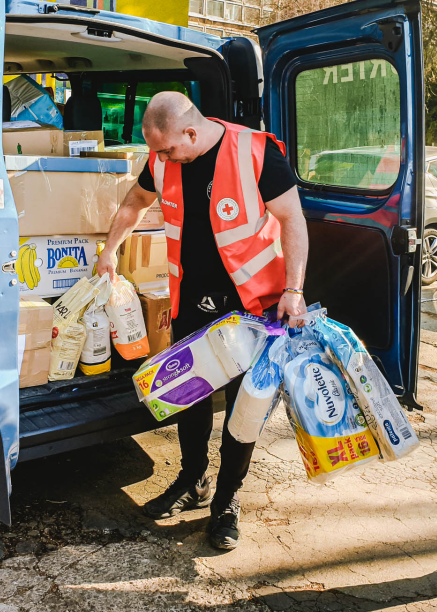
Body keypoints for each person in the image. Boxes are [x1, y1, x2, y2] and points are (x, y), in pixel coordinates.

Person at [96, 91, 309, 550]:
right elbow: (135, 201)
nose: (161, 159)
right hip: (192, 303)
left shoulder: (255, 151)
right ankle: (193, 480)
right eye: (156, 151)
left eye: (168, 149)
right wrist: (110, 250)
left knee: (242, 410)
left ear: (190, 132)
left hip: (253, 308)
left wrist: (294, 290)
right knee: (188, 398)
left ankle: (227, 499)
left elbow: (293, 219)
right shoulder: (164, 160)